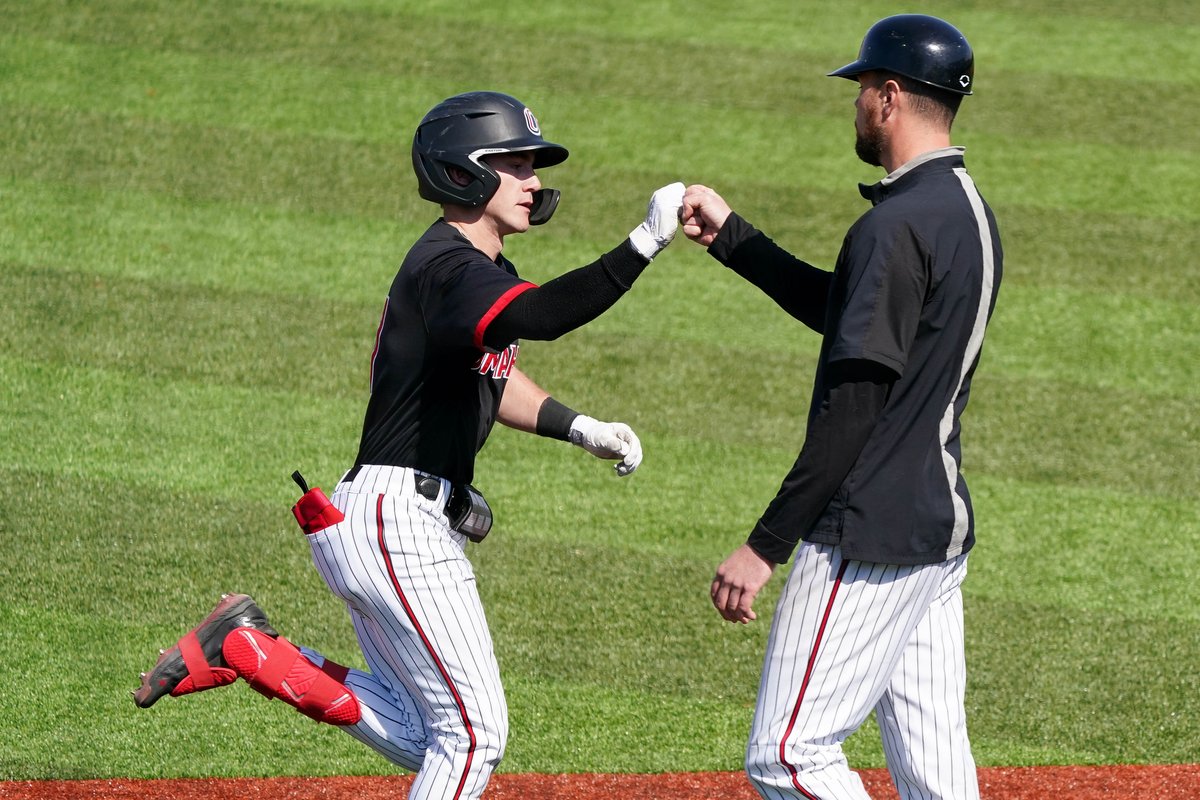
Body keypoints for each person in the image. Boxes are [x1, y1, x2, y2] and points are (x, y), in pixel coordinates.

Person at [133, 90, 685, 800]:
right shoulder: (447, 268)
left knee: (428, 733)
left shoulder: (470, 273)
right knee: (475, 735)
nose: (533, 179)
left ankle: (250, 649)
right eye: (514, 163)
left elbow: (499, 372)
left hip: (384, 521)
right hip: (398, 524)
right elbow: (544, 316)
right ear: (464, 171)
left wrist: (579, 427)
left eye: (533, 164)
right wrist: (645, 241)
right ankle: (249, 649)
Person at [680, 15, 1002, 800]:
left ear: (890, 98)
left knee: (788, 755)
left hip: (870, 537)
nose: (855, 105)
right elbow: (851, 308)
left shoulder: (893, 227)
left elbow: (854, 408)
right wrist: (737, 241)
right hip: (937, 528)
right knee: (935, 776)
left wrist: (765, 545)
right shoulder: (966, 212)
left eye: (862, 90)